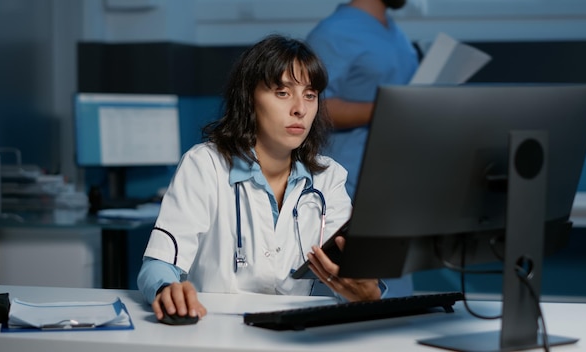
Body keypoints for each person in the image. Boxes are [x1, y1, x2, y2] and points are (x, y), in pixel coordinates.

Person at [137, 34, 383, 321]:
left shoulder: (328, 178)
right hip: (219, 333)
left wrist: (367, 294)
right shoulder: (205, 165)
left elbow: (353, 280)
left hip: (300, 334)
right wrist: (166, 289)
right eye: (282, 92)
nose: (300, 109)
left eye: (310, 95)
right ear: (249, 98)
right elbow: (158, 264)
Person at [306, 0, 419, 297]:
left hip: (393, 187)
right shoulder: (331, 34)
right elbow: (315, 106)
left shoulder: (397, 34)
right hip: (352, 185)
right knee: (351, 293)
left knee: (396, 299)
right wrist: (394, 108)